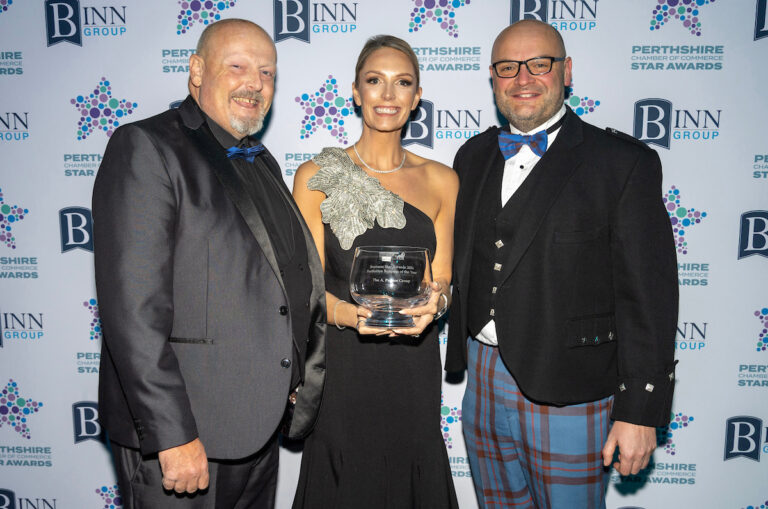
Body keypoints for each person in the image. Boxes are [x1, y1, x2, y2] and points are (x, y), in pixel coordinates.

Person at [92, 19, 326, 508]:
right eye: (237, 66)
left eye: (267, 72)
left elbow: (278, 283)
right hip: (185, 437)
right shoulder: (146, 146)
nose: (255, 83)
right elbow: (134, 310)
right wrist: (171, 434)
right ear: (196, 71)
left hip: (254, 432)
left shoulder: (262, 162)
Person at [447, 20, 678, 509]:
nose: (524, 78)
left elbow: (649, 298)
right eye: (508, 67)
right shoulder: (471, 156)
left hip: (571, 388)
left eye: (540, 64)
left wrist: (639, 411)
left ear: (566, 71)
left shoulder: (621, 163)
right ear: (493, 78)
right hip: (483, 381)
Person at [290, 35, 459, 509]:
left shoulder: (442, 180)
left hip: (413, 367)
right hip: (344, 367)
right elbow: (306, 288)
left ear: (416, 97)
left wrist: (436, 303)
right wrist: (349, 315)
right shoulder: (316, 176)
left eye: (402, 83)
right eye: (375, 81)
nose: (388, 95)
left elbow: (443, 279)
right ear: (355, 92)